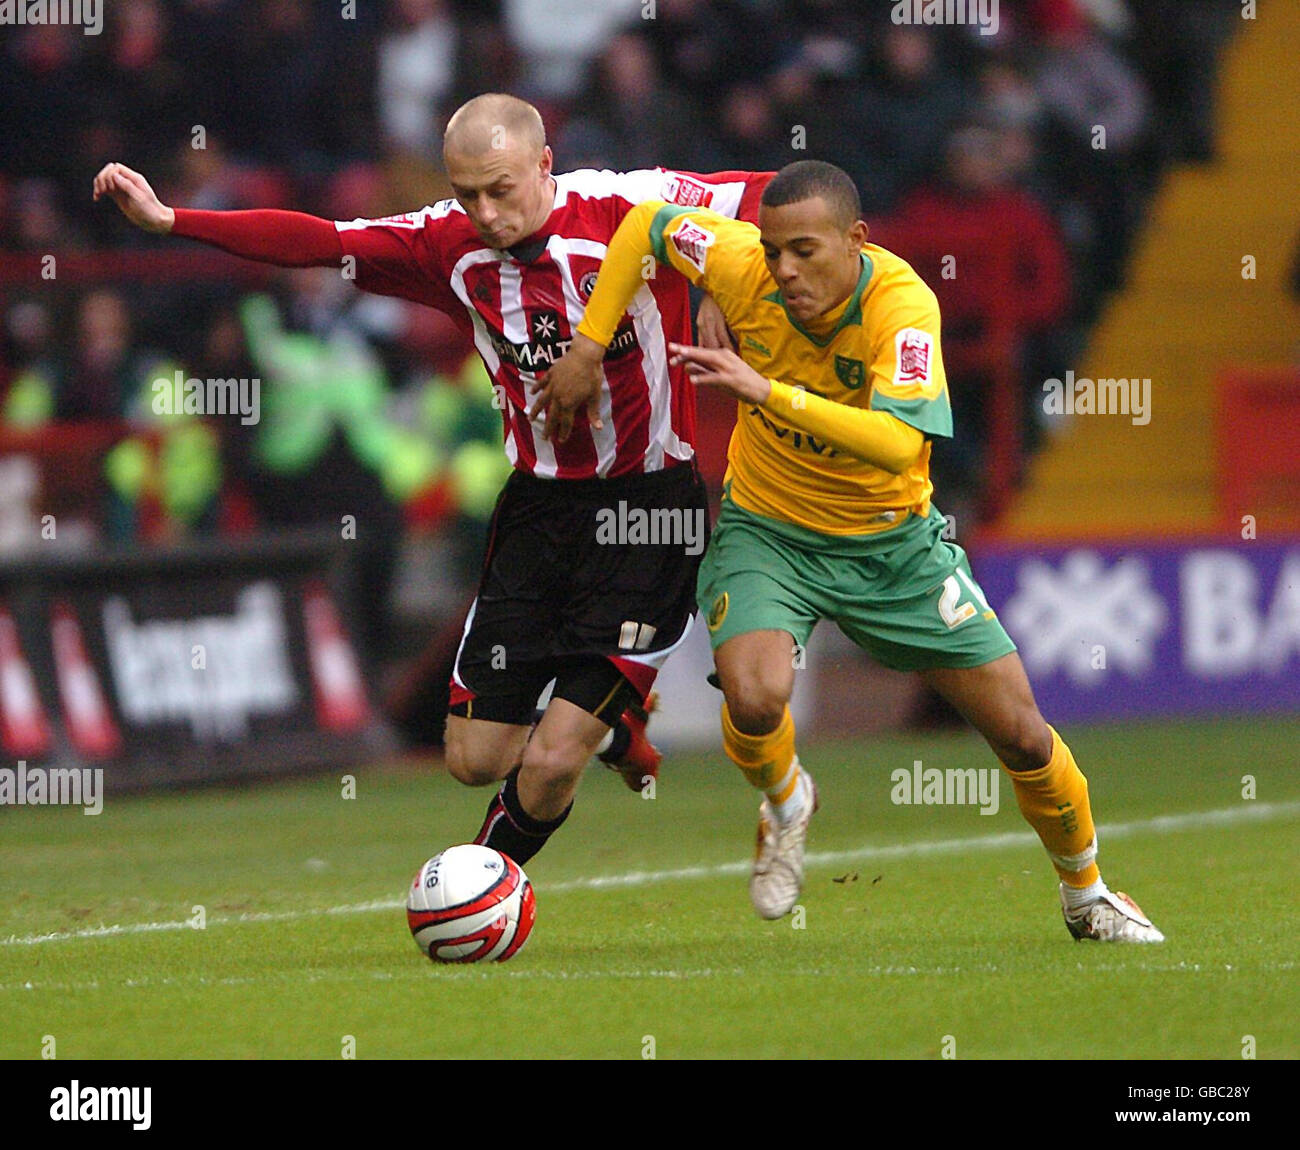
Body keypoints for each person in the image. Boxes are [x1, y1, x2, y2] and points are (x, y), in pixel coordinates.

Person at [93, 92, 771, 867]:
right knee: (474, 758)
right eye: (466, 192)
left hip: (651, 510)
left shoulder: (631, 203)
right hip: (538, 513)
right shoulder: (445, 245)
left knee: (551, 760)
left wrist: (718, 278)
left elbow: (775, 198)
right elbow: (316, 241)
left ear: (544, 164)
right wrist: (174, 220)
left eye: (500, 188)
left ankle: (482, 886)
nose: (483, 211)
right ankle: (615, 724)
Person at [535, 160, 1163, 942]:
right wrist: (591, 346)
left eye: (805, 251)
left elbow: (900, 443)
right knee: (757, 696)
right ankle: (789, 798)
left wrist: (767, 392)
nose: (785, 270)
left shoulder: (901, 310)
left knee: (1023, 736)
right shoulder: (740, 262)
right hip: (769, 531)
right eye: (773, 252)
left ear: (857, 241)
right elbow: (647, 228)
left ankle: (1087, 894)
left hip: (893, 548)